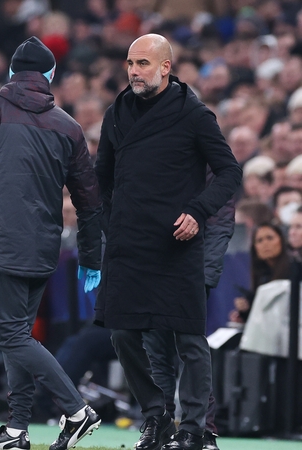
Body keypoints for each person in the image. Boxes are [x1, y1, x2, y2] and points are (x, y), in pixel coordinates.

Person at [0, 36, 103, 450]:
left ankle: (76, 410)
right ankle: (17, 429)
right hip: (43, 244)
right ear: (51, 76)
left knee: (12, 336)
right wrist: (91, 257)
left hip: (1, 239)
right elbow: (90, 203)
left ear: (12, 73)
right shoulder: (68, 126)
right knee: (16, 334)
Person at [94, 34, 241, 450]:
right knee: (122, 333)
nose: (134, 71)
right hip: (127, 244)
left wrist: (197, 211)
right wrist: (110, 220)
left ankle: (193, 428)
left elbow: (229, 172)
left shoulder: (194, 114)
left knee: (189, 339)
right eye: (130, 63)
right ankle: (156, 417)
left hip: (176, 244)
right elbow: (100, 175)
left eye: (143, 63)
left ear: (165, 67)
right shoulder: (117, 112)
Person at [142, 170, 237, 450]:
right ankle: (161, 425)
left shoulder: (212, 166)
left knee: (190, 347)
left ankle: (201, 430)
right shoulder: (159, 154)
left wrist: (205, 276)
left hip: (192, 270)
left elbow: (220, 224)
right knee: (156, 350)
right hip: (154, 265)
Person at [229, 222, 291, 324]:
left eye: (270, 238)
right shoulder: (262, 277)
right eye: (259, 240)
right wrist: (245, 311)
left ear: (281, 240)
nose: (265, 244)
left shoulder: (295, 270)